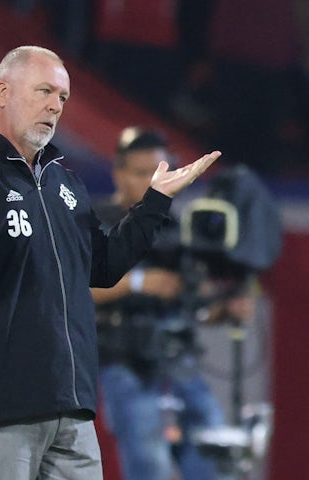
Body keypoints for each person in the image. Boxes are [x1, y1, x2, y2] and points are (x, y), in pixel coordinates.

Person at [0, 45, 220, 480]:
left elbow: (101, 267)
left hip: (72, 408)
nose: (54, 106)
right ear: (2, 92)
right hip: (0, 412)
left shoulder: (65, 181)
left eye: (62, 97)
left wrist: (155, 203)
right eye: (44, 90)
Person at [91, 126, 256, 480]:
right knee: (151, 467)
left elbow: (192, 305)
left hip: (180, 361)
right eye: (140, 173)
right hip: (126, 363)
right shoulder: (96, 222)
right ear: (118, 173)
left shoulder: (179, 228)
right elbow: (72, 289)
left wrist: (225, 311)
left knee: (213, 464)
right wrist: (138, 282)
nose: (151, 181)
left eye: (158, 171)